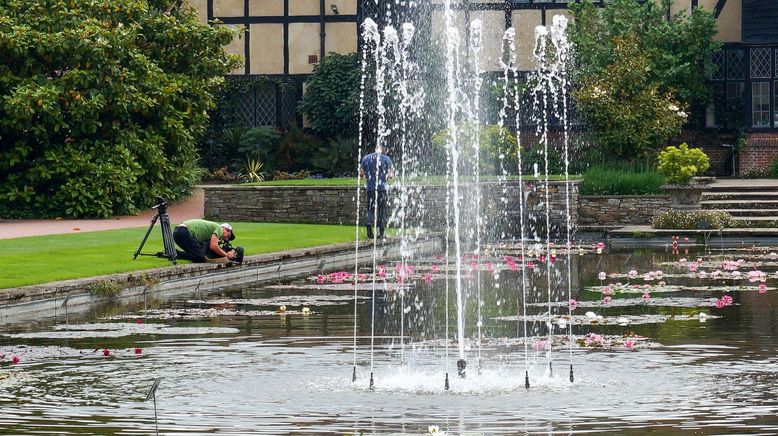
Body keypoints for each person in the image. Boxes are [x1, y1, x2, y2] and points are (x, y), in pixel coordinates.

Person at [359, 145, 394, 239]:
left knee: (370, 208)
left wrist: (369, 175)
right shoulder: (386, 159)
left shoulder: (366, 158)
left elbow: (361, 174)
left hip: (370, 188)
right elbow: (391, 175)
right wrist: (387, 176)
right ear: (382, 149)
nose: (386, 152)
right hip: (382, 189)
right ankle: (381, 233)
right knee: (381, 210)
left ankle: (369, 225)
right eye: (386, 150)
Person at [173, 219, 238, 264]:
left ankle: (174, 253)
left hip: (178, 232)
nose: (226, 239)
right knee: (200, 257)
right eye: (228, 236)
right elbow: (213, 246)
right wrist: (226, 255)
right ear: (226, 229)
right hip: (183, 232)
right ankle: (174, 254)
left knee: (198, 254)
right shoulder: (219, 228)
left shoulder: (211, 231)